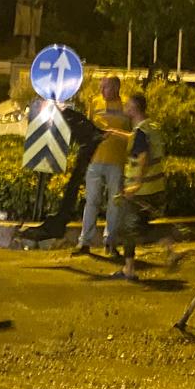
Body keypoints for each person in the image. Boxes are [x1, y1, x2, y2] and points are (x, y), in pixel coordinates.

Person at [114, 92, 174, 280]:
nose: (125, 107)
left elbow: (143, 156)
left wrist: (135, 185)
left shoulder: (141, 131)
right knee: (137, 227)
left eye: (127, 105)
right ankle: (166, 247)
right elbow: (142, 143)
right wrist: (114, 134)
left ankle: (130, 268)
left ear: (134, 109)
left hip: (141, 190)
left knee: (128, 228)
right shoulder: (151, 127)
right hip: (156, 188)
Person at [74, 76, 131, 257]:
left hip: (116, 161)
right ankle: (85, 242)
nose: (102, 90)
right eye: (101, 86)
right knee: (92, 201)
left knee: (114, 203)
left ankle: (110, 242)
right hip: (95, 160)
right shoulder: (95, 103)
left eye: (106, 87)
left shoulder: (126, 105)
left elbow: (133, 133)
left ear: (116, 88)